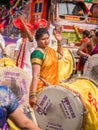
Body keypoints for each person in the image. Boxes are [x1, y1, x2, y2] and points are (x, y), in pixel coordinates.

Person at [29, 27, 63, 106]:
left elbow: (60, 56)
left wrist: (59, 41)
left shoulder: (49, 50)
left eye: (47, 38)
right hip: (41, 89)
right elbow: (36, 75)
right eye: (43, 39)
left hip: (52, 86)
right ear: (37, 41)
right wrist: (33, 95)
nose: (46, 41)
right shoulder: (37, 53)